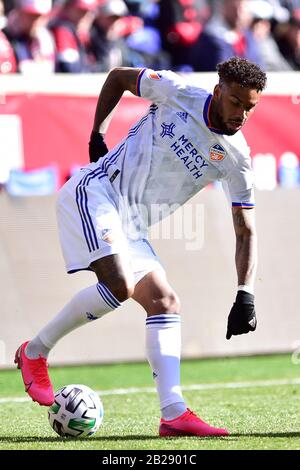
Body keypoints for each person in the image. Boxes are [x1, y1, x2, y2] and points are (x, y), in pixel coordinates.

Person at [15, 56, 266, 437]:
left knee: (164, 301)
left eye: (250, 107)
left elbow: (245, 230)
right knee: (119, 286)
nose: (241, 115)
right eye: (235, 102)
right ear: (218, 91)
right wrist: (97, 134)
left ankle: (173, 413)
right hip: (97, 191)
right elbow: (117, 78)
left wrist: (245, 293)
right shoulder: (177, 92)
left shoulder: (237, 158)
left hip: (131, 227)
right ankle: (35, 351)